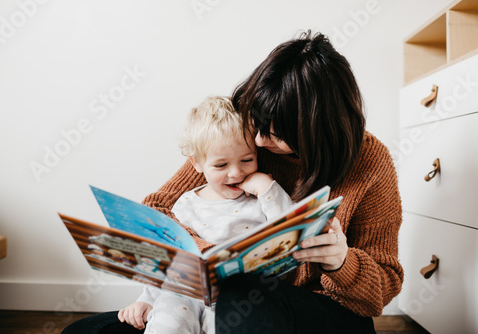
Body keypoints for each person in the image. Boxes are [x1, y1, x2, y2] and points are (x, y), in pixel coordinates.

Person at [140, 31, 404, 333]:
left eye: (277, 135)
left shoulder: (371, 163)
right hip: (222, 300)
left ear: (317, 132)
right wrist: (209, 252)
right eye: (258, 123)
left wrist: (341, 262)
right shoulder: (241, 140)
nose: (258, 140)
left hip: (321, 312)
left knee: (243, 297)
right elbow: (157, 209)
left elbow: (382, 291)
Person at [61, 96, 293, 334]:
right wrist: (147, 299)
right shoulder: (184, 204)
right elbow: (166, 261)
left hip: (238, 297)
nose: (236, 172)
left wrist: (267, 188)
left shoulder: (261, 199)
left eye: (247, 160)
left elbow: (290, 230)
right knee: (167, 320)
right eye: (221, 165)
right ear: (197, 164)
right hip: (185, 296)